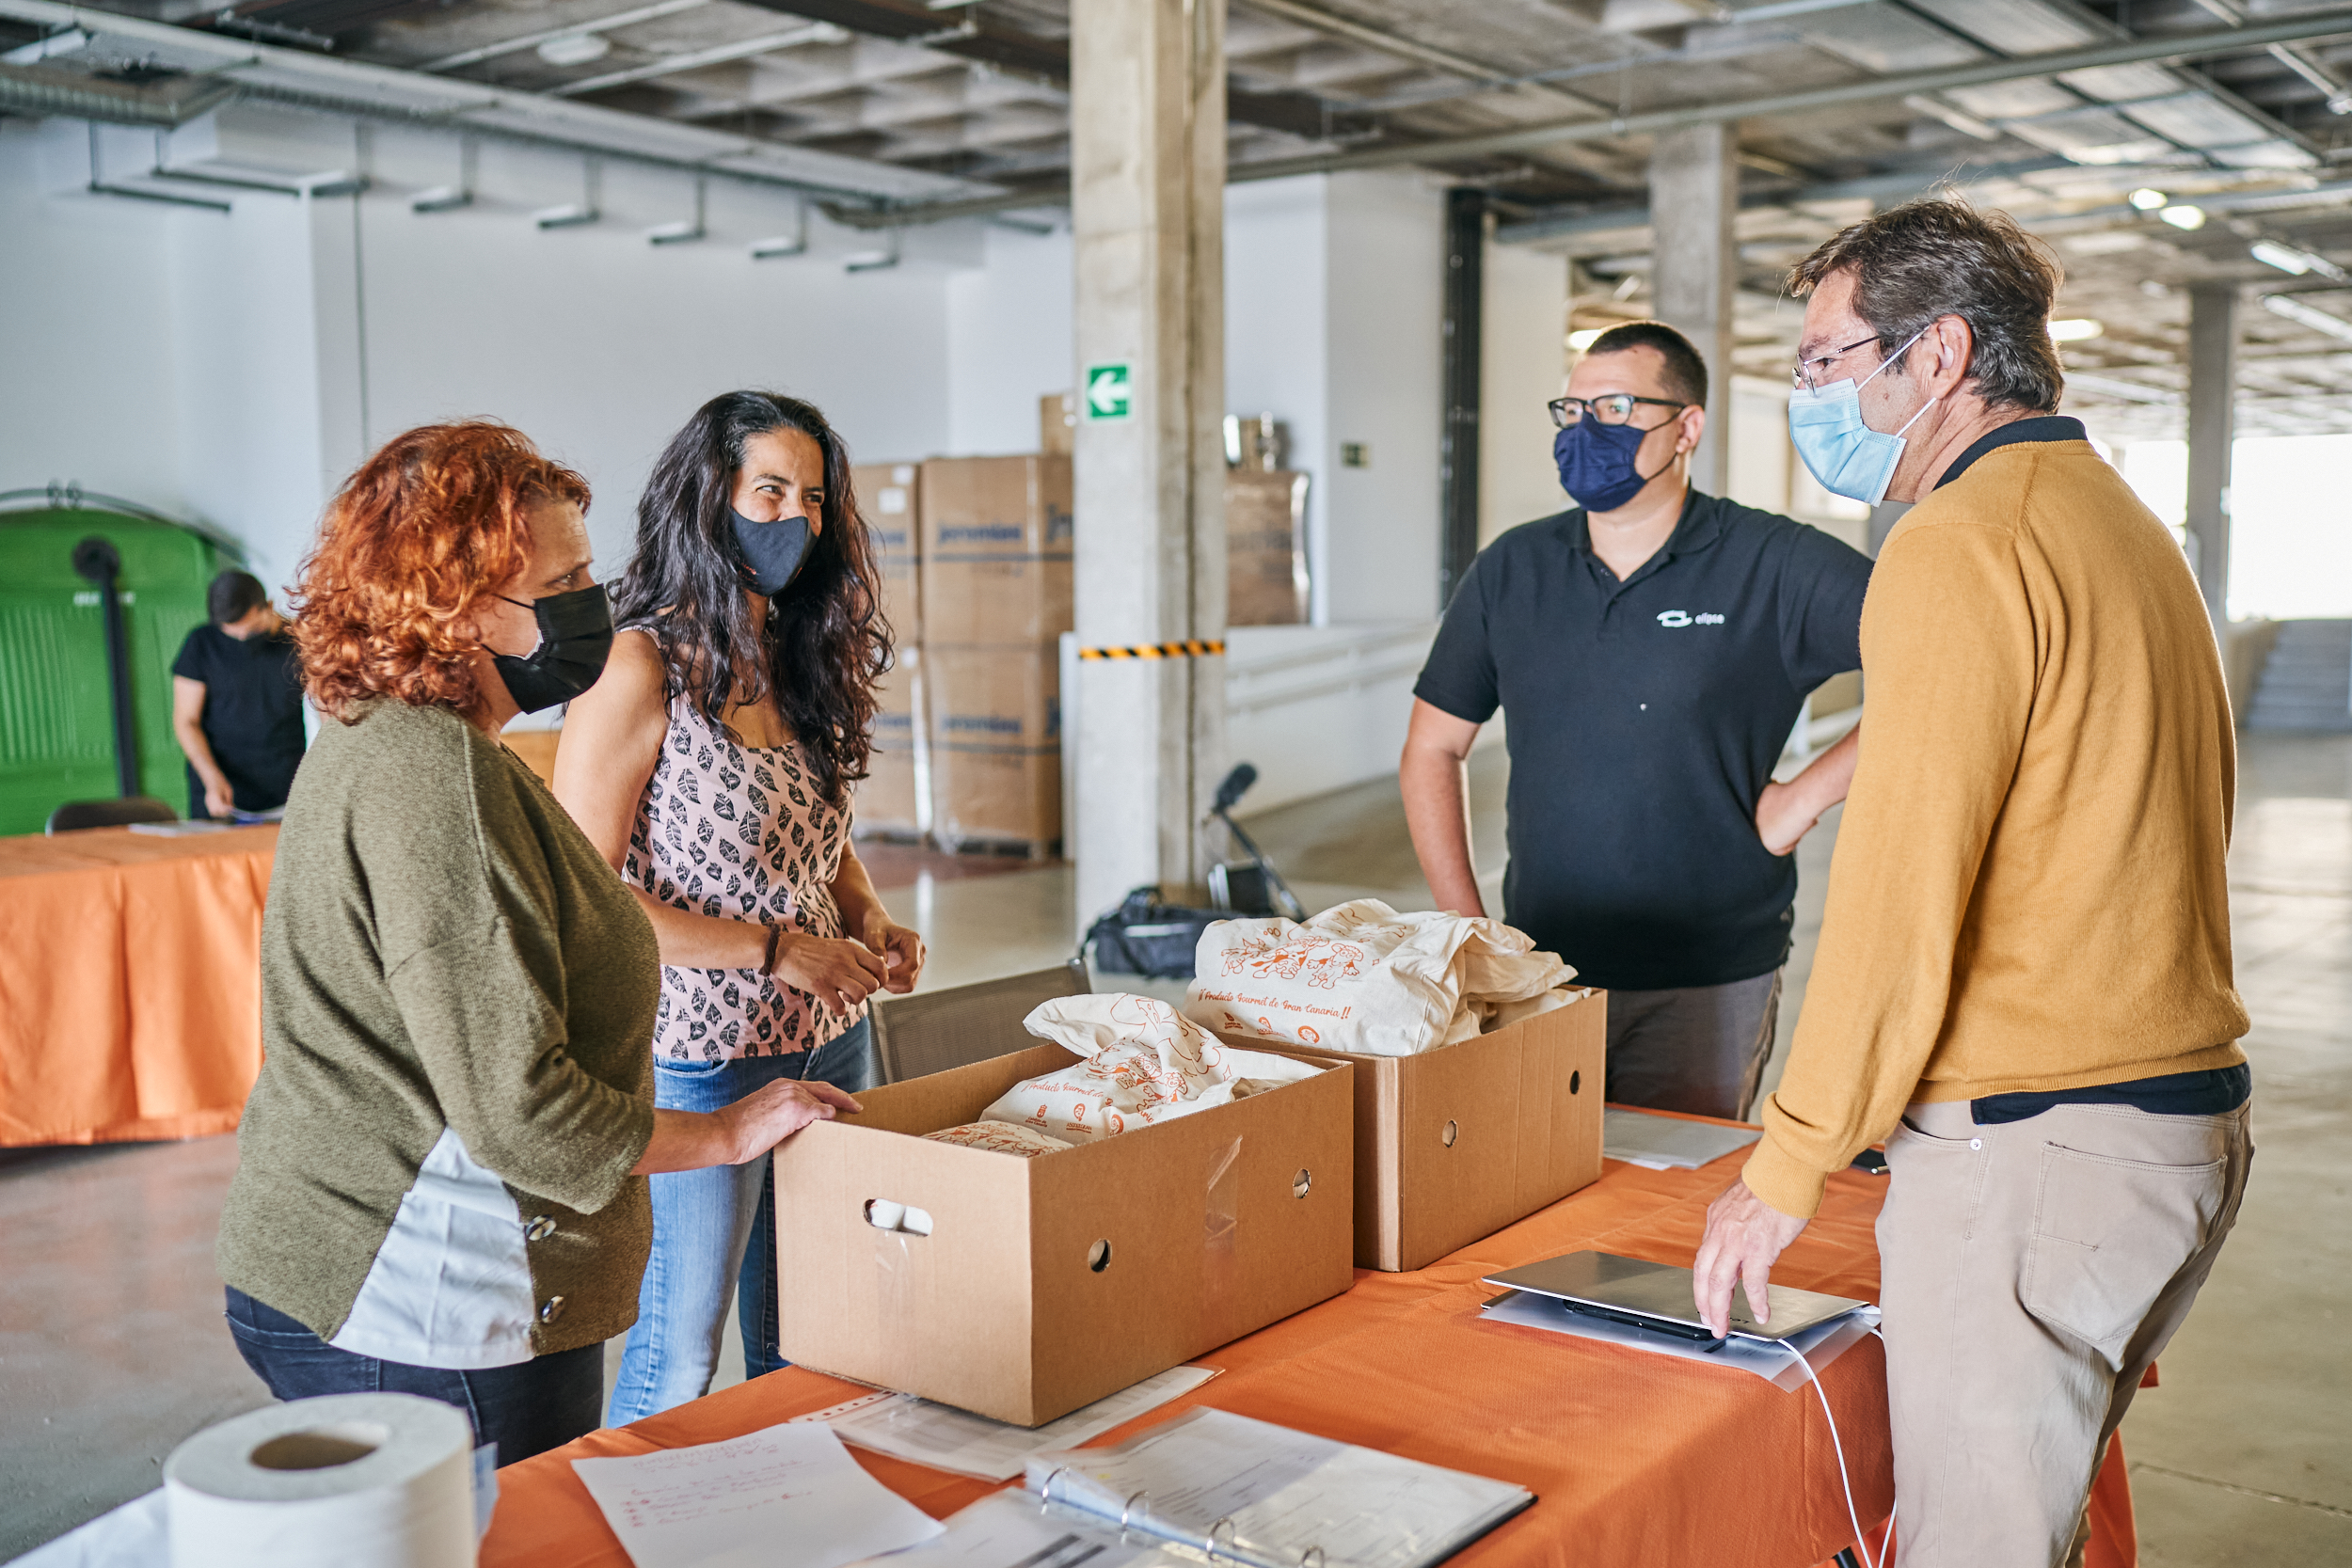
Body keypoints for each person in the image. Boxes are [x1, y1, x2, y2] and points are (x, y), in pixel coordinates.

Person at [1692, 198, 2253, 1568]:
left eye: (1827, 361)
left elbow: (1899, 891)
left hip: (2038, 1146)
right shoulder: (2113, 521)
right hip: (2175, 1133)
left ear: (1935, 357)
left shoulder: (1953, 543)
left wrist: (1791, 1156)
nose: (1809, 394)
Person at [214, 422, 857, 1465]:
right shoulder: (438, 781)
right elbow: (526, 1113)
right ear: (456, 606)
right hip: (430, 1295)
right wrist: (729, 1133)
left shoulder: (406, 741)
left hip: (365, 1258)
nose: (591, 606)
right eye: (562, 580)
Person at [555, 390, 926, 1424]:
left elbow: (817, 825)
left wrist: (866, 918)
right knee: (682, 1346)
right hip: (698, 1053)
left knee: (806, 1329)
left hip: (828, 1038)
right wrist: (773, 950)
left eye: (812, 498)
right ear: (708, 496)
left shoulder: (796, 651)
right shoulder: (638, 665)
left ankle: (782, 1508)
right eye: (769, 489)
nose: (791, 519)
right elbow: (586, 898)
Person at [1403, 320, 1873, 1120]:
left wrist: (1803, 799)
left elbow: (1948, 655)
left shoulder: (1774, 563)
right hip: (1545, 971)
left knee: (1670, 1208)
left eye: (1617, 408)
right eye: (1573, 408)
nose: (1588, 430)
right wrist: (1468, 929)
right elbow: (1433, 748)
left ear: (1686, 427)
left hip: (1706, 974)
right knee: (1537, 1192)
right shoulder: (1512, 570)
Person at [170, 569, 305, 819]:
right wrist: (212, 779)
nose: (242, 639)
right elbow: (186, 721)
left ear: (269, 606)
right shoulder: (200, 644)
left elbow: (329, 712)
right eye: (232, 633)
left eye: (252, 630)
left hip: (286, 791)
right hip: (218, 794)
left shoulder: (299, 641)